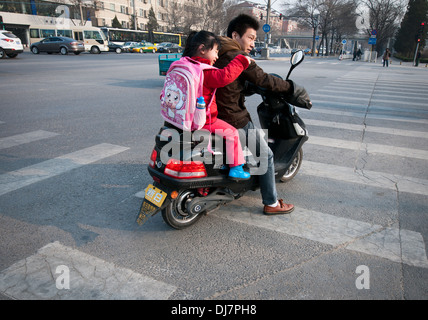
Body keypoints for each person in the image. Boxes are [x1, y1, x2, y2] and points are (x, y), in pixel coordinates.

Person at [214, 14, 312, 215]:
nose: (252, 43)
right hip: (233, 118)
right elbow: (265, 80)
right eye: (250, 37)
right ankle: (271, 203)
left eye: (254, 39)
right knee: (266, 155)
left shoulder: (217, 54)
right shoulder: (238, 58)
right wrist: (292, 89)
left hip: (214, 116)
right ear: (235, 35)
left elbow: (230, 84)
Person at [182, 30, 252, 180]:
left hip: (180, 118)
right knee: (232, 133)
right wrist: (242, 61)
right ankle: (236, 168)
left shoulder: (182, 64)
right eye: (215, 51)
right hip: (203, 121)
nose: (217, 56)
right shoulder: (203, 71)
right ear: (202, 49)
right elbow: (224, 77)